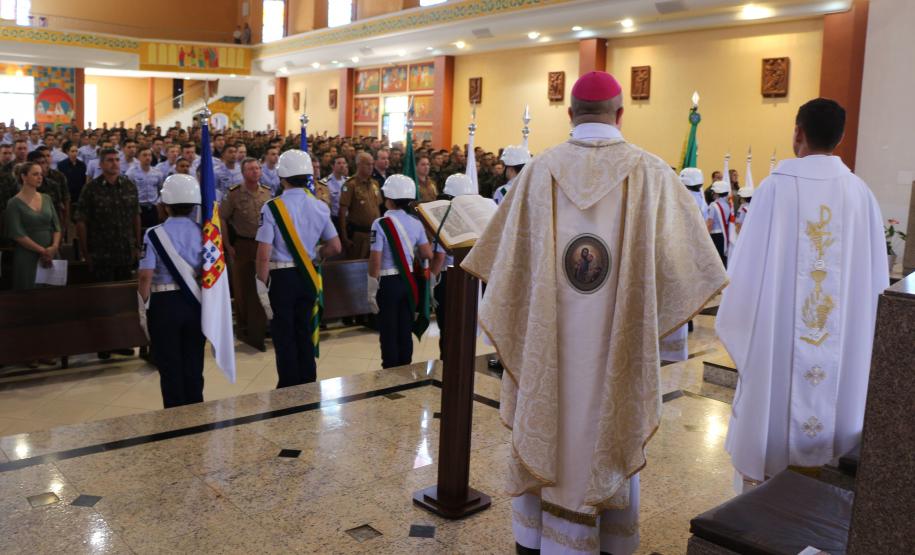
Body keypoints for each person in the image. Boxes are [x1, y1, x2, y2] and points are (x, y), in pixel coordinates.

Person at [462, 71, 726, 554]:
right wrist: (665, 343)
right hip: (617, 352)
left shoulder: (536, 173)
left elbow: (504, 274)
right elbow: (686, 272)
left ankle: (538, 538)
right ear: (620, 114)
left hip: (546, 353)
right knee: (611, 430)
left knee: (547, 427)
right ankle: (611, 539)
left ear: (570, 114)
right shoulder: (653, 174)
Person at [716, 98, 889, 493]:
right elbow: (875, 285)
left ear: (798, 132)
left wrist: (744, 331)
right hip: (838, 359)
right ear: (840, 138)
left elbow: (743, 277)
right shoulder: (860, 195)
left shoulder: (774, 189)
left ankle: (762, 505)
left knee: (770, 419)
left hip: (777, 350)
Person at [255, 150, 341, 388]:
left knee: (284, 335)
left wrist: (261, 287)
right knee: (304, 330)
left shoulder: (272, 208)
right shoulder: (320, 206)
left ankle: (288, 387)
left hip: (281, 278)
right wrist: (317, 254)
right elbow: (335, 247)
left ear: (282, 177)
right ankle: (308, 382)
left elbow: (263, 255)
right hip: (307, 276)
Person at [137, 174, 206, 408]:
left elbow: (145, 276)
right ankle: (196, 410)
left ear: (165, 205)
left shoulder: (153, 234)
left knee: (169, 364)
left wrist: (142, 308)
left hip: (164, 303)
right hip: (195, 301)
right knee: (194, 361)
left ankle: (175, 415)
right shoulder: (203, 232)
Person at [367, 174, 433, 368]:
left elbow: (375, 260)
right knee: (405, 326)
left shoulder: (380, 224)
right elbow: (427, 253)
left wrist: (371, 289)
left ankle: (390, 371)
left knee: (389, 329)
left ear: (388, 198)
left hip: (387, 283)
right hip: (409, 281)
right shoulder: (416, 223)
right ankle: (406, 366)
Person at [222, 158, 272, 351]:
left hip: (263, 245)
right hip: (243, 244)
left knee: (263, 285)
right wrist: (227, 244)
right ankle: (245, 327)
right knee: (243, 287)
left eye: (257, 168)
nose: (255, 171)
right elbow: (222, 218)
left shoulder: (267, 192)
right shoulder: (234, 194)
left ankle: (262, 325)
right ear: (243, 173)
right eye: (251, 169)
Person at [430, 173, 481, 358]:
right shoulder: (476, 216)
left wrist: (431, 281)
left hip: (448, 278)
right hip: (471, 277)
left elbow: (440, 256)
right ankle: (464, 361)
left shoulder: (446, 217)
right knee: (465, 325)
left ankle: (448, 363)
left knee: (448, 326)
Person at [75, 148, 141, 284]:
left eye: (117, 160)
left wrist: (137, 246)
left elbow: (136, 216)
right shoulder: (91, 188)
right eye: (110, 160)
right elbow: (81, 221)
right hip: (101, 253)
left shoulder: (129, 186)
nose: (115, 163)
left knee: (125, 291)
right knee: (104, 292)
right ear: (101, 164)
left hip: (125, 251)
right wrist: (85, 252)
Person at [3, 161, 61, 290]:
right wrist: (42, 251)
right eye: (35, 174)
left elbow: (56, 227)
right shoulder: (13, 203)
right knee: (29, 292)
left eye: (41, 174)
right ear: (24, 177)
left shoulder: (46, 198)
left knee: (54, 293)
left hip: (51, 252)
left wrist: (54, 247)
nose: (40, 177)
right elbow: (17, 234)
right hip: (28, 255)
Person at [339, 152, 383, 259]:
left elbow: (377, 207)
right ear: (359, 165)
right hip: (359, 235)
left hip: (374, 234)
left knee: (374, 262)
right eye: (367, 164)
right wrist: (344, 237)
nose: (371, 167)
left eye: (372, 164)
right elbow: (342, 212)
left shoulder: (375, 184)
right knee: (357, 263)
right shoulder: (350, 184)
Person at [127, 147, 164, 232]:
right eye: (144, 155)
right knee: (138, 231)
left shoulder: (157, 173)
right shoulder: (131, 173)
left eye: (149, 155)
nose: (148, 157)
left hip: (153, 208)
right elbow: (128, 192)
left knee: (154, 231)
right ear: (138, 157)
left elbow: (160, 190)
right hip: (138, 208)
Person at [706, 180, 732, 266]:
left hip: (715, 235)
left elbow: (710, 223)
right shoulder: (728, 205)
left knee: (716, 260)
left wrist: (706, 237)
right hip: (724, 235)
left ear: (716, 193)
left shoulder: (713, 205)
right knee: (723, 259)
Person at [321, 155, 348, 233]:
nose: (342, 165)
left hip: (347, 218)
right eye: (339, 163)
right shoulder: (325, 183)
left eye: (344, 163)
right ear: (332, 166)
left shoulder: (348, 181)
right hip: (333, 219)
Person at [57, 140, 87, 205]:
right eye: (72, 151)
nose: (75, 153)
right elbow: (60, 181)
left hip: (79, 194)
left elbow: (84, 180)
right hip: (67, 194)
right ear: (67, 152)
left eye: (76, 151)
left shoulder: (82, 165)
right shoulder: (61, 165)